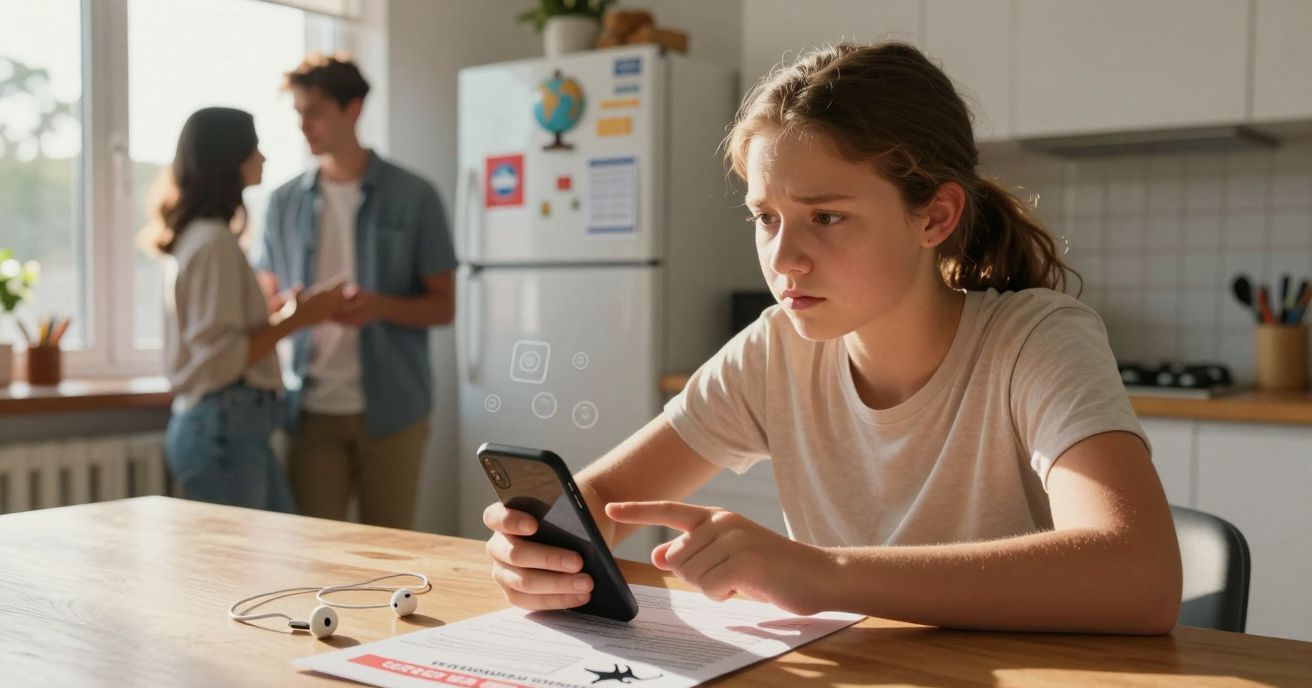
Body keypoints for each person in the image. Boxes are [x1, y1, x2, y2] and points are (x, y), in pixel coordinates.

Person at [481, 43, 1184, 634]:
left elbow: (1140, 576)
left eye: (827, 217)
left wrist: (825, 573)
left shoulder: (1036, 341)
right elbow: (602, 499)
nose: (784, 260)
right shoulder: (774, 350)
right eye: (766, 218)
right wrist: (543, 554)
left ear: (935, 216)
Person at [255, 55, 457, 529]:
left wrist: (379, 307)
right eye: (299, 113)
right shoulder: (283, 203)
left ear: (354, 108)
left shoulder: (415, 195)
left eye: (315, 111)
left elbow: (444, 306)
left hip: (394, 411)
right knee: (314, 552)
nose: (304, 125)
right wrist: (295, 310)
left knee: (389, 553)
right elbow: (265, 305)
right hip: (309, 412)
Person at [148, 107, 345, 511]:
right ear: (230, 159)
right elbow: (221, 360)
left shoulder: (198, 237)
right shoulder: (214, 242)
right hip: (224, 429)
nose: (263, 158)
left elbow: (217, 342)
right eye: (254, 148)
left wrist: (273, 318)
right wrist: (298, 319)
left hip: (224, 427)